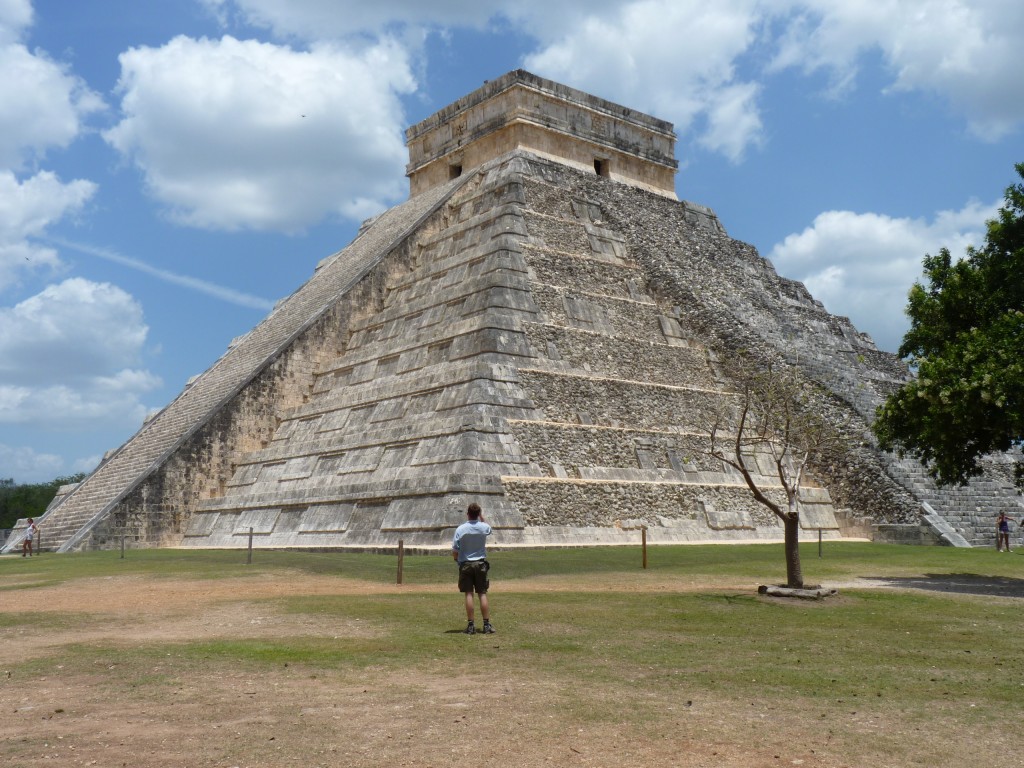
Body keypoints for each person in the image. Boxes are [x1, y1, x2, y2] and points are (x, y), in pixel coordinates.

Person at [452, 502, 495, 635]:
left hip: (466, 564)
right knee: (482, 593)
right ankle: (486, 624)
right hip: (480, 564)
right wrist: (481, 518)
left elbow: (455, 549)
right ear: (478, 514)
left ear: (467, 514)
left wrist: (457, 560)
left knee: (469, 593)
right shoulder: (483, 527)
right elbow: (488, 528)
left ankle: (471, 625)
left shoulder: (461, 529)